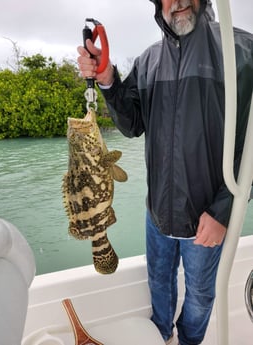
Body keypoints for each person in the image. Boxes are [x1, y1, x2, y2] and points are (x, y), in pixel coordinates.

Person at [77, 0, 253, 344]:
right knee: (158, 280)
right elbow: (131, 124)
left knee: (201, 294)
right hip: (156, 212)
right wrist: (108, 79)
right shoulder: (147, 61)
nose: (180, 1)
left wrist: (224, 211)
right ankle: (160, 333)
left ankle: (188, 341)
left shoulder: (242, 51)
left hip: (208, 216)